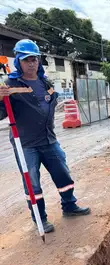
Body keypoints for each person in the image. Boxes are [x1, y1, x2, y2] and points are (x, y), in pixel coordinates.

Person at [0, 39, 90, 233]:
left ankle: (69, 206)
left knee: (63, 175)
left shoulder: (45, 83)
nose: (31, 63)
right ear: (19, 62)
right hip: (26, 144)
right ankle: (40, 219)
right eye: (27, 60)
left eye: (34, 59)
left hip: (49, 140)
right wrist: (0, 99)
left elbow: (50, 103)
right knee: (32, 183)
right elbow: (1, 113)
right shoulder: (9, 85)